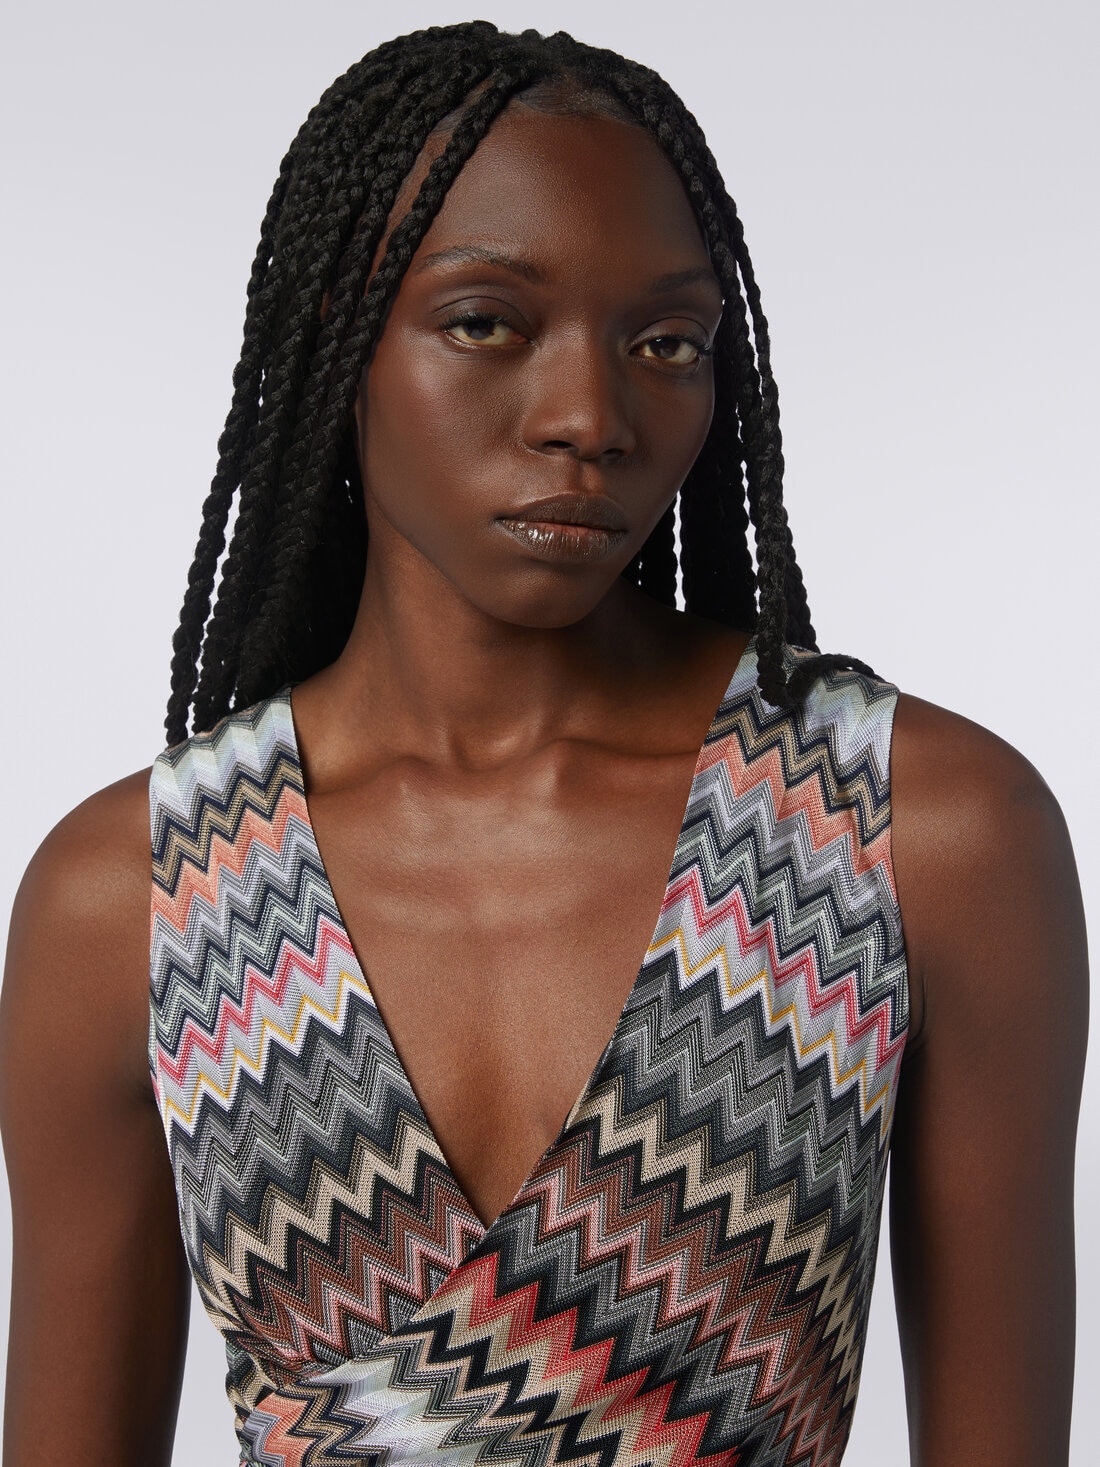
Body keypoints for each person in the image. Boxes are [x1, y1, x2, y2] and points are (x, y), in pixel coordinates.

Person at [0, 20, 1088, 1467]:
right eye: (485, 322)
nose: (590, 418)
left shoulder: (916, 836)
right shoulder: (129, 901)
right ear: (337, 332)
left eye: (666, 345)